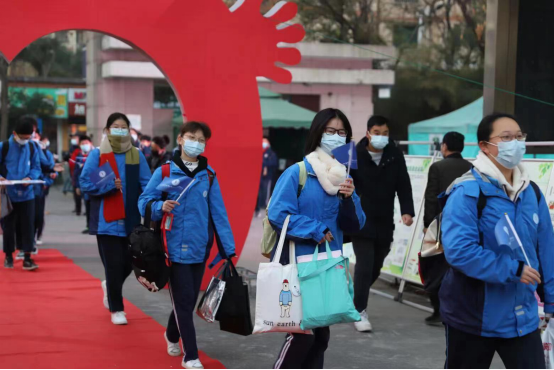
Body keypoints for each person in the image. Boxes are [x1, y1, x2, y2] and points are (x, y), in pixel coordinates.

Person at [440, 113, 554, 368]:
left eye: (518, 137)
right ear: (484, 146)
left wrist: (552, 299)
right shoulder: (467, 191)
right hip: (472, 318)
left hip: (522, 318)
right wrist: (513, 269)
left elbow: (546, 250)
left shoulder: (531, 192)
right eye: (506, 137)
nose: (515, 143)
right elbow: (459, 251)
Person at [269, 108, 366, 369]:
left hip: (329, 265)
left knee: (321, 337)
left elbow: (356, 224)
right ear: (318, 133)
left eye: (342, 132)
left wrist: (348, 199)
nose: (336, 137)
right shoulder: (298, 173)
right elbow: (277, 214)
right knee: (302, 335)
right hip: (298, 266)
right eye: (330, 131)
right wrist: (315, 229)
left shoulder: (344, 177)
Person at [139, 121, 236, 370]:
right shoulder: (164, 172)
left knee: (189, 300)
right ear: (180, 139)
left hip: (200, 248)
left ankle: (172, 335)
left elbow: (219, 212)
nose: (196, 143)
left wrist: (228, 248)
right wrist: (161, 207)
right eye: (192, 137)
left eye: (201, 140)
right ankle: (190, 355)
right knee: (183, 301)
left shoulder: (209, 175)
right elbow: (144, 202)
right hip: (172, 249)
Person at [80, 113, 151, 325]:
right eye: (115, 126)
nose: (119, 129)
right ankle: (116, 308)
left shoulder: (137, 155)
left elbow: (147, 184)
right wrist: (110, 186)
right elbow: (85, 183)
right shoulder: (97, 155)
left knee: (130, 262)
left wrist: (152, 205)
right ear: (107, 130)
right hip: (106, 221)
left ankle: (109, 287)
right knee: (112, 265)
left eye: (123, 126)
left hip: (131, 220)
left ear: (129, 130)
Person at [349, 115, 415, 333]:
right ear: (368, 133)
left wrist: (407, 211)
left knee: (376, 265)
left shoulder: (394, 155)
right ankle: (359, 310)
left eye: (385, 133)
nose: (381, 137)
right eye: (377, 133)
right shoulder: (353, 154)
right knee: (365, 265)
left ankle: (354, 295)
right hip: (361, 220)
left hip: (385, 219)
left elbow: (404, 185)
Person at [422, 131, 472, 325]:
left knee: (435, 268)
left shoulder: (437, 167)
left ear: (444, 146)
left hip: (440, 226)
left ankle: (439, 312)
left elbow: (432, 198)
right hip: (466, 227)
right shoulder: (472, 168)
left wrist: (428, 225)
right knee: (460, 268)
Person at [1, 118, 41, 270]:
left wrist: (30, 178)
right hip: (8, 193)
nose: (25, 140)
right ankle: (9, 256)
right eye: (22, 137)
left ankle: (28, 257)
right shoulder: (4, 147)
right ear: (14, 134)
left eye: (28, 137)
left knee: (28, 226)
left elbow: (37, 167)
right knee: (8, 226)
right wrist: (1, 179)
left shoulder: (32, 147)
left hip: (27, 193)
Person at [32, 131, 57, 246]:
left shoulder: (45, 153)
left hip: (40, 188)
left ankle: (38, 234)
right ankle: (27, 237)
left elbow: (51, 170)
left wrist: (46, 182)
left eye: (35, 136)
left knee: (38, 213)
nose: (33, 138)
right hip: (25, 188)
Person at [73, 135, 93, 234]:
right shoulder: (79, 157)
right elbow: (76, 172)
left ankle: (94, 226)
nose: (85, 145)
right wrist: (77, 186)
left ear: (91, 144)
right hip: (84, 185)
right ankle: (89, 226)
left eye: (86, 143)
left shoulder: (95, 155)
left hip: (94, 184)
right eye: (83, 143)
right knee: (87, 205)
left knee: (94, 206)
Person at [255, 137, 278, 216]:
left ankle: (265, 206)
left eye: (264, 142)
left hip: (268, 177)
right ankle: (258, 206)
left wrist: (265, 165)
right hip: (258, 177)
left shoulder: (271, 154)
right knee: (258, 192)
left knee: (266, 191)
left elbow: (274, 163)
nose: (263, 144)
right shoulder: (258, 152)